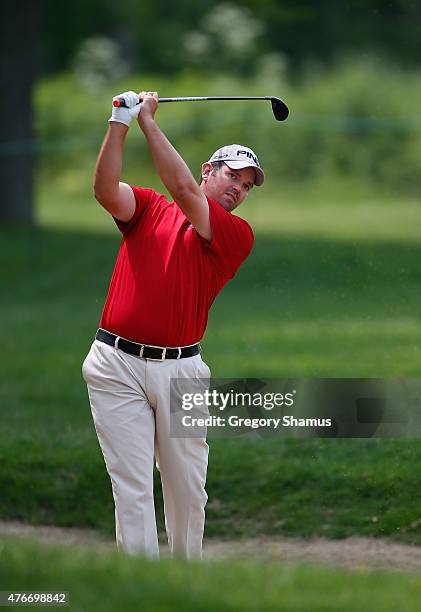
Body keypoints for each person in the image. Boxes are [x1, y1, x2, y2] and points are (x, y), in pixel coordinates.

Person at [82, 90, 265, 560]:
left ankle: (186, 584)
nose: (238, 189)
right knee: (133, 487)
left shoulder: (234, 235)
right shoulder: (147, 208)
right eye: (232, 176)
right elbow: (105, 190)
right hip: (114, 364)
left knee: (187, 489)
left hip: (181, 371)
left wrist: (147, 122)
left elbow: (184, 191)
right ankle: (140, 589)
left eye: (246, 186)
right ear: (209, 169)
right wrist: (119, 122)